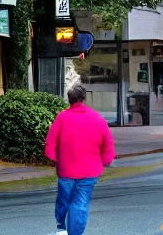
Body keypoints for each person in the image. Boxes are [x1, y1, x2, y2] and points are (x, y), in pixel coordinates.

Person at [45, 84, 116, 235]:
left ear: (69, 99)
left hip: (66, 170)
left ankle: (61, 228)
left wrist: (52, 157)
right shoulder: (97, 118)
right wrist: (105, 160)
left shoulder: (62, 117)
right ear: (83, 98)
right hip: (90, 170)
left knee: (63, 200)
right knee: (80, 202)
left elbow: (51, 141)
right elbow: (108, 143)